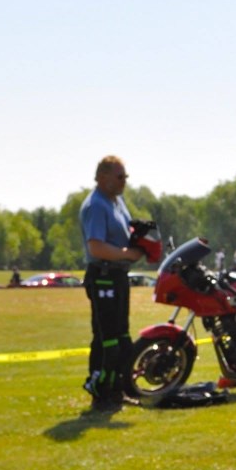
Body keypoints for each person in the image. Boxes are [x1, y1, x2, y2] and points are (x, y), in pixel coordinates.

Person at [80, 155, 144, 412]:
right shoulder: (96, 205)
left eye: (125, 177)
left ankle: (117, 389)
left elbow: (125, 232)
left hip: (118, 275)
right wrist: (128, 254)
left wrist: (143, 240)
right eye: (120, 177)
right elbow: (96, 246)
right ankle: (100, 393)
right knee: (107, 339)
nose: (124, 182)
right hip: (103, 274)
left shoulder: (117, 201)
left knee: (122, 335)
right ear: (102, 177)